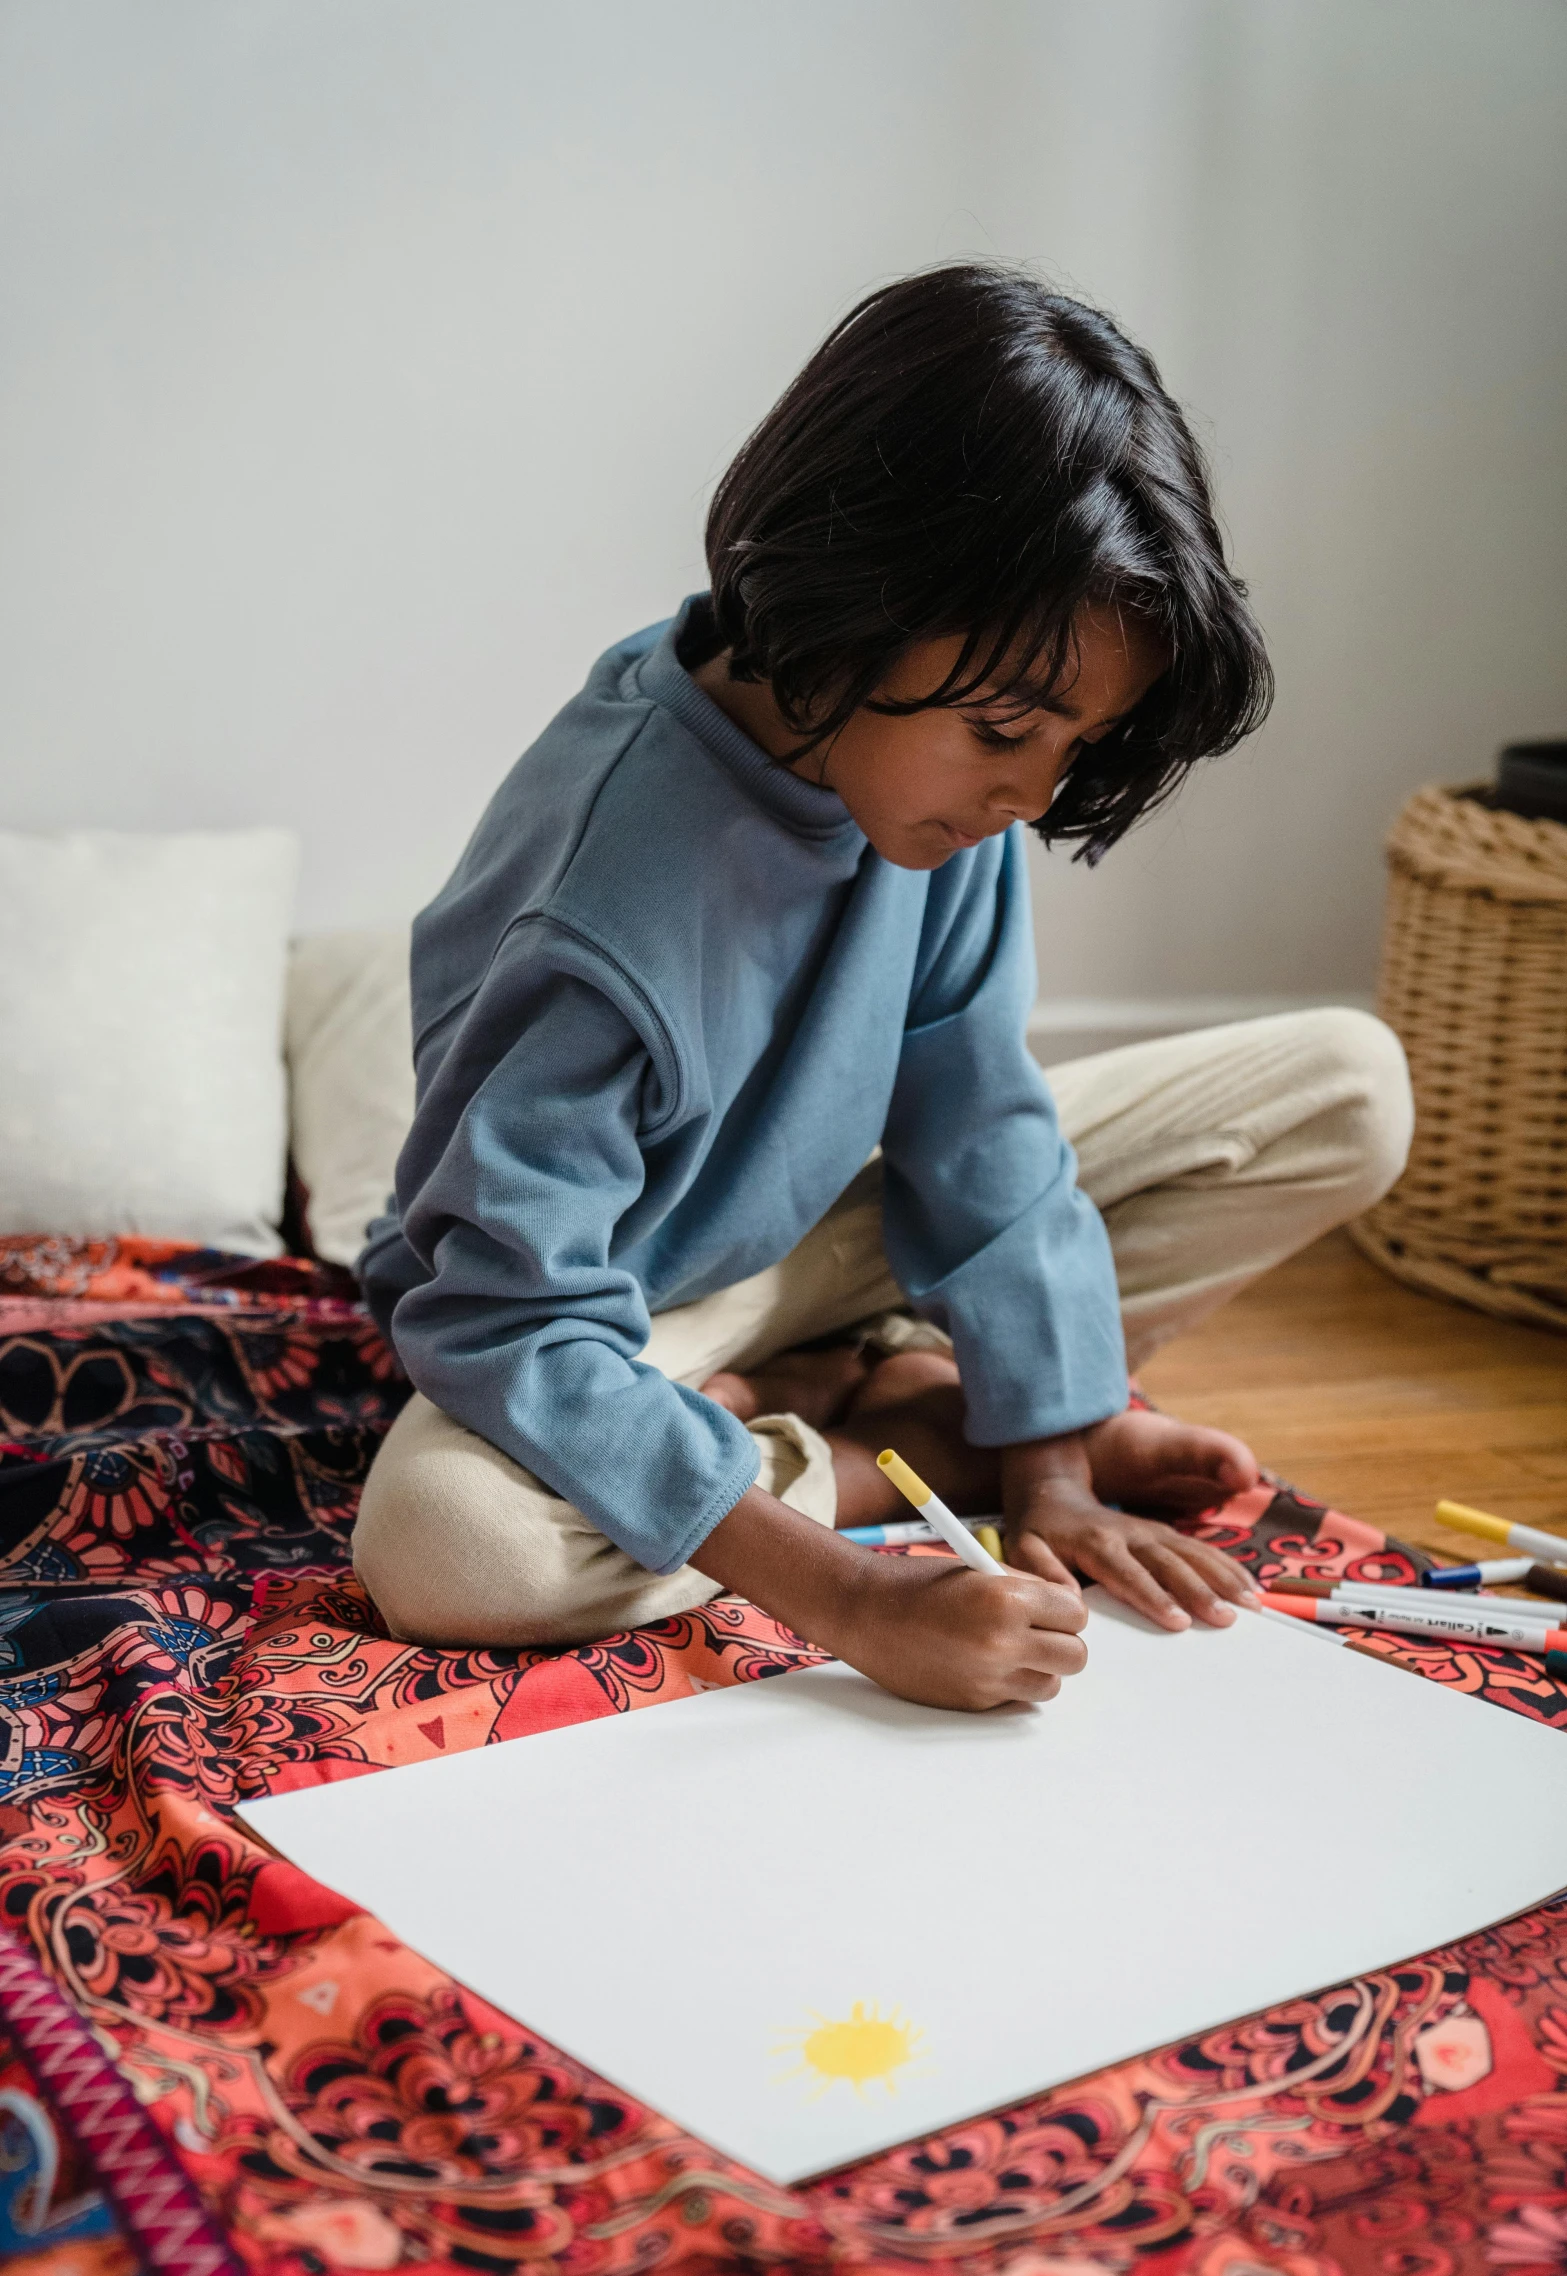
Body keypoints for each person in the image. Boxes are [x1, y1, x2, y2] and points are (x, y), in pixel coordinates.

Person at [354, 263, 1413, 1713]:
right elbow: (506, 1319)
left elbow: (976, 1122)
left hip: (809, 1242)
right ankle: (884, 1446)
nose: (1033, 794)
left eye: (1068, 744)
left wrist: (1053, 1480)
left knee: (1351, 1091)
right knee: (449, 1545)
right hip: (604, 1302)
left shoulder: (927, 778)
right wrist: (852, 1595)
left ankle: (913, 1407)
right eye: (1005, 730)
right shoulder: (599, 902)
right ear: (857, 601)